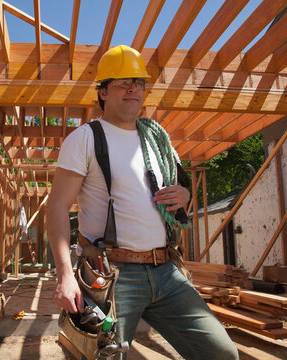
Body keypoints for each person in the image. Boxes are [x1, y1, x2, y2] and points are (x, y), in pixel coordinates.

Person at [47, 45, 239, 359]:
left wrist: (184, 196)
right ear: (104, 92)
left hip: (166, 270)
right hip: (111, 273)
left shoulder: (156, 138)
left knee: (221, 354)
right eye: (124, 82)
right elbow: (56, 208)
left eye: (139, 82)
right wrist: (66, 276)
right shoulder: (85, 139)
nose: (133, 88)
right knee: (102, 355)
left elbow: (180, 192)